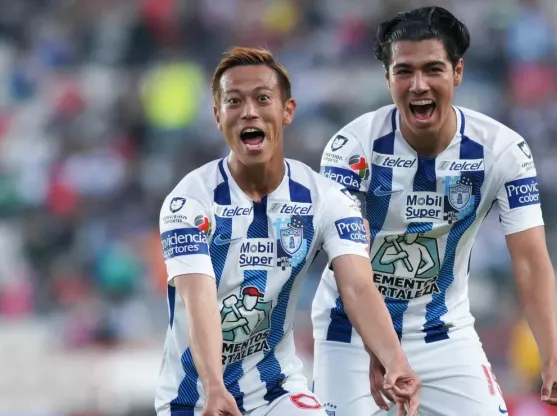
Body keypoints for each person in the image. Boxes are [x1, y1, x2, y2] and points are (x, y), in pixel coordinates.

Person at [311, 7, 557, 416]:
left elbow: (530, 260)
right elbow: (349, 269)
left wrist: (552, 359)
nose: (418, 85)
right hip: (350, 331)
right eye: (404, 71)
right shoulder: (351, 149)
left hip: (443, 332)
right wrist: (380, 347)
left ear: (458, 71)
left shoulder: (503, 151)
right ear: (387, 79)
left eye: (433, 69)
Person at [154, 46, 421, 416]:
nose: (249, 111)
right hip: (195, 399)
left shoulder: (326, 199)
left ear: (287, 111)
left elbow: (359, 286)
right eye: (234, 101)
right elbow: (198, 300)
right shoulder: (189, 203)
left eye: (263, 99)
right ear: (218, 116)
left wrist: (393, 359)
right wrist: (214, 387)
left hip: (278, 391)